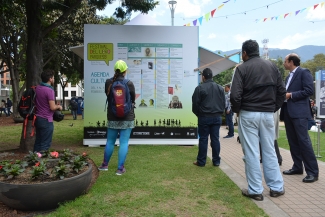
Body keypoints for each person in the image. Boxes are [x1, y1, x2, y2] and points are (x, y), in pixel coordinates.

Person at [230, 39, 286, 201]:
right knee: (269, 150)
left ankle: (255, 190)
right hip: (268, 113)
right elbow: (281, 91)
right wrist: (273, 108)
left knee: (251, 152)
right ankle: (276, 187)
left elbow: (235, 95)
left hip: (248, 113)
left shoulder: (241, 69)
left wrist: (237, 111)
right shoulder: (272, 66)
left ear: (245, 53)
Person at [280, 53, 319, 183]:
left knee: (304, 142)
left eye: (285, 61)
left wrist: (291, 95)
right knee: (293, 141)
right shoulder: (288, 78)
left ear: (291, 62)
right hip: (288, 113)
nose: (284, 63)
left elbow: (309, 91)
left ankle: (313, 172)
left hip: (300, 113)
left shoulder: (304, 72)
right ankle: (297, 167)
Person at [99, 60, 135, 175]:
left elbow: (108, 96)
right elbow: (132, 99)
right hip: (127, 117)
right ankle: (120, 169)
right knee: (123, 143)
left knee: (110, 141)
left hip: (112, 116)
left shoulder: (108, 82)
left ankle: (104, 165)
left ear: (115, 70)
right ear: (125, 71)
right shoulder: (129, 83)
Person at [192, 68, 225, 167]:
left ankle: (201, 161)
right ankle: (216, 161)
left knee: (203, 139)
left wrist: (199, 114)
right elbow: (223, 103)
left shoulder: (199, 88)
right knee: (215, 139)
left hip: (204, 117)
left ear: (203, 77)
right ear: (212, 76)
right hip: (217, 117)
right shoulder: (220, 88)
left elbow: (195, 104)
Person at [34, 69, 62, 152]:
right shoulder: (49, 90)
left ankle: (34, 161)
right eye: (53, 78)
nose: (53, 79)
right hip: (46, 119)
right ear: (50, 79)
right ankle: (41, 163)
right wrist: (59, 107)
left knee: (38, 142)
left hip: (38, 118)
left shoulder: (38, 88)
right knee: (45, 144)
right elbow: (52, 107)